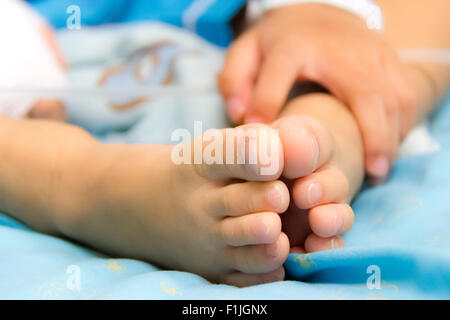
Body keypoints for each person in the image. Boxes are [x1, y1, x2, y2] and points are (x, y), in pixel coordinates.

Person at [0, 0, 447, 287]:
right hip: (44, 91)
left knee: (390, 43)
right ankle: (94, 187)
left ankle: (331, 125)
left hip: (278, 52)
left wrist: (320, 13)